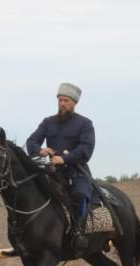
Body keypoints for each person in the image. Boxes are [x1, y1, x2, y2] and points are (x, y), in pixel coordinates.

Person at [26, 82, 95, 251]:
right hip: (52, 172)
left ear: (74, 103)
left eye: (65, 100)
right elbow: (31, 141)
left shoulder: (85, 124)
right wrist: (40, 150)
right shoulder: (48, 122)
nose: (62, 103)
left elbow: (86, 150)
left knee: (80, 194)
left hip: (76, 173)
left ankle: (78, 233)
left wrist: (64, 159)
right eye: (60, 100)